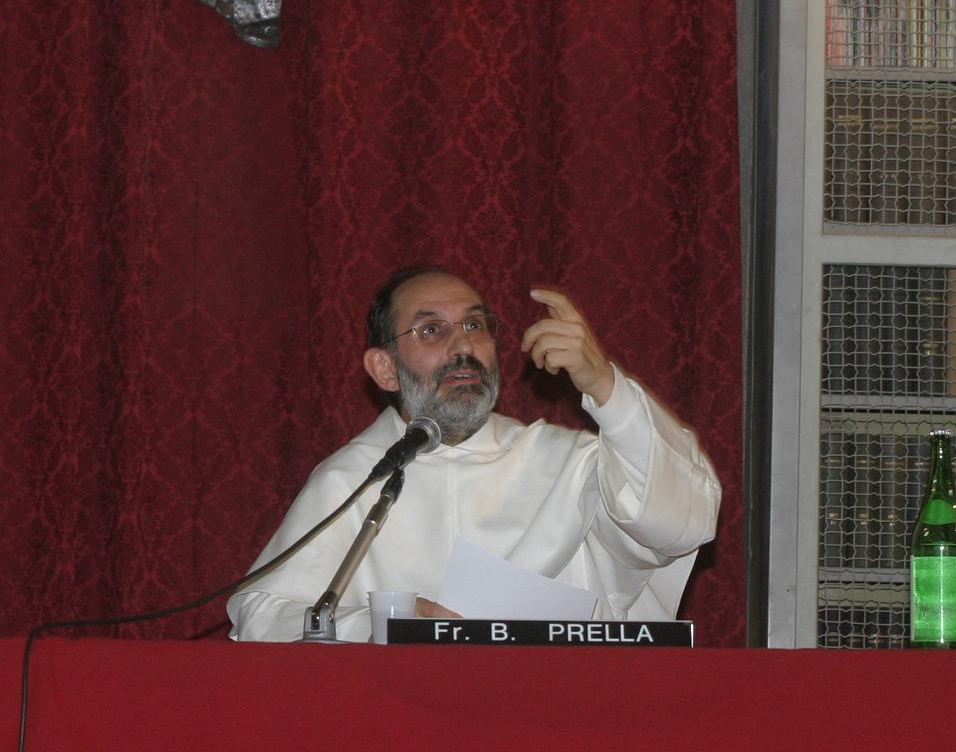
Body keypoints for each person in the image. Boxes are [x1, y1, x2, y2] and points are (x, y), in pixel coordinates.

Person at [228, 265, 721, 643]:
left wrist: (605, 386)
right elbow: (262, 615)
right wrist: (383, 624)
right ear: (384, 369)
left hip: (558, 717)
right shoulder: (354, 479)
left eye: (475, 325)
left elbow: (680, 523)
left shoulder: (573, 465)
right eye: (431, 330)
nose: (462, 346)